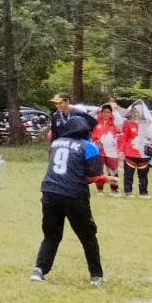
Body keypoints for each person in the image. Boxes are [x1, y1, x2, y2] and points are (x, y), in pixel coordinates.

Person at [32, 113, 109, 285]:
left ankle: (39, 269)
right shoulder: (88, 147)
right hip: (74, 195)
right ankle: (96, 275)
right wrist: (103, 178)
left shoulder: (56, 143)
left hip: (49, 192)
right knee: (88, 235)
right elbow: (93, 175)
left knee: (51, 234)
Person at [120, 100, 152, 198]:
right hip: (130, 152)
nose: (136, 114)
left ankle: (143, 192)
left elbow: (151, 136)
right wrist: (121, 151)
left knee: (143, 174)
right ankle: (128, 192)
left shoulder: (147, 123)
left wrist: (149, 125)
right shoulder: (127, 124)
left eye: (138, 112)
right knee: (128, 174)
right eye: (134, 112)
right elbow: (123, 138)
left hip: (144, 153)